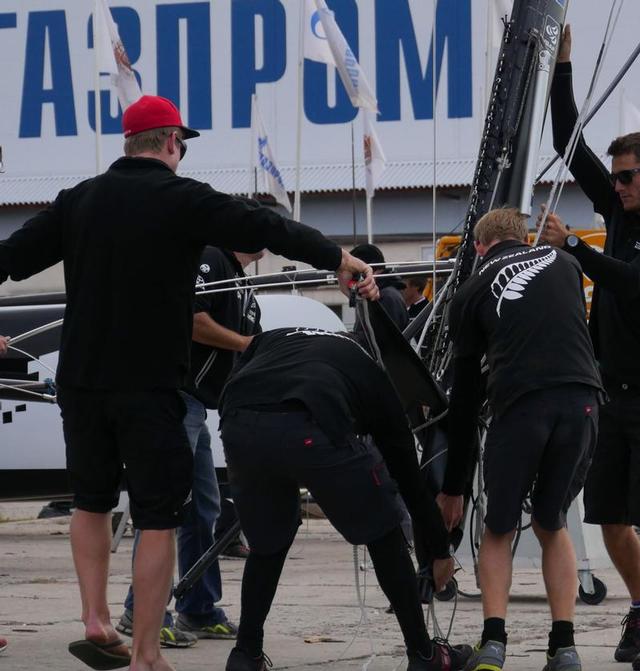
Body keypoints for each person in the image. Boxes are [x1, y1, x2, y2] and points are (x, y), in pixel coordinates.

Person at [0, 94, 377, 671]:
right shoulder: (184, 199)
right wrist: (336, 257)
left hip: (80, 382)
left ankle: (96, 618)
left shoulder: (79, 200)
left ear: (129, 143)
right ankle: (147, 654)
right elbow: (267, 228)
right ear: (172, 142)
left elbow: (13, 258)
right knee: (158, 514)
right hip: (149, 383)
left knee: (91, 499)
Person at [538, 26, 640, 670]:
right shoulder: (622, 212)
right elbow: (566, 141)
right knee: (609, 517)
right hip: (611, 391)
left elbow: (633, 284)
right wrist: (563, 65)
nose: (619, 186)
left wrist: (574, 247)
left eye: (629, 177)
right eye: (616, 179)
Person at [217, 326, 471, 671]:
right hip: (309, 424)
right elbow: (409, 481)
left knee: (267, 542)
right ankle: (424, 655)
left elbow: (241, 371)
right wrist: (440, 551)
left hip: (238, 422)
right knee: (384, 529)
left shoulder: (277, 337)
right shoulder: (371, 373)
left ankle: (245, 655)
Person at [435, 208, 603, 671]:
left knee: (499, 528)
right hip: (584, 401)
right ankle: (564, 647)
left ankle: (493, 644)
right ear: (525, 237)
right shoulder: (565, 264)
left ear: (478, 247)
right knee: (553, 523)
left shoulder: (469, 290)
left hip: (522, 406)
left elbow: (466, 397)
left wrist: (452, 489)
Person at [117, 242, 265, 646]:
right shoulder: (211, 257)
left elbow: (251, 347)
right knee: (164, 506)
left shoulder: (244, 284)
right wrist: (244, 343)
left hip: (201, 405)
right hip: (176, 397)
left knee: (204, 508)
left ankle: (198, 607)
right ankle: (140, 609)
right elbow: (194, 319)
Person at [351, 243, 409, 330]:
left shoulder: (385, 297)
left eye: (355, 272)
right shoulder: (385, 294)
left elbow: (381, 338)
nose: (354, 279)